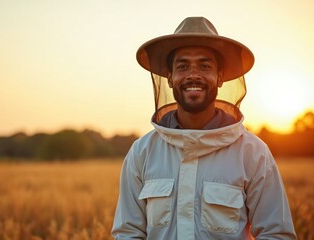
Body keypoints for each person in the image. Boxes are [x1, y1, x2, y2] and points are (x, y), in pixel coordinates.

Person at [111, 17, 296, 240]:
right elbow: (127, 233)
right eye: (182, 66)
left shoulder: (253, 153)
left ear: (219, 78)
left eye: (204, 66)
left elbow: (276, 234)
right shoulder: (142, 152)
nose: (193, 74)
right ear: (169, 78)